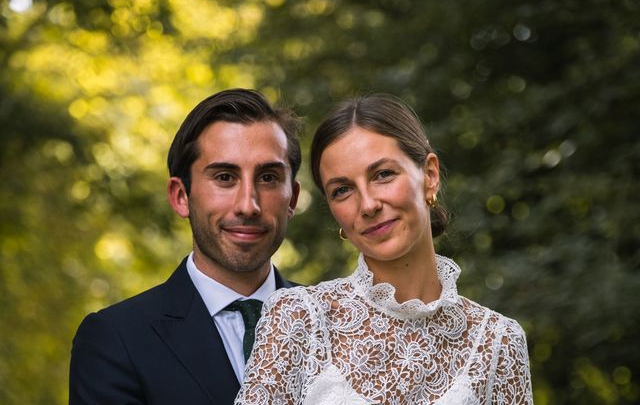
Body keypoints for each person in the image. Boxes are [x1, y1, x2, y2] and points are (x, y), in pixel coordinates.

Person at [235, 95, 533, 404]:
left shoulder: (498, 342)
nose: (368, 205)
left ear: (429, 175)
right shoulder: (297, 318)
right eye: (343, 190)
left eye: (383, 174)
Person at [69, 88, 302, 405]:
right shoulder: (116, 340)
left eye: (269, 178)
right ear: (181, 197)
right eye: (224, 177)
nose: (248, 205)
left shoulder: (344, 328)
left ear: (294, 198)